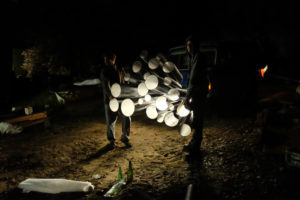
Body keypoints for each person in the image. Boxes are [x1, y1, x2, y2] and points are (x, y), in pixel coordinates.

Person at [182, 35, 209, 158]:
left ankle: (195, 150)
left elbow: (193, 78)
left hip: (199, 94)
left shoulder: (198, 58)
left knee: (197, 121)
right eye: (187, 45)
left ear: (195, 46)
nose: (189, 47)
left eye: (191, 45)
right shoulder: (193, 57)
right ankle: (193, 144)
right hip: (197, 93)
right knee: (195, 120)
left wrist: (187, 96)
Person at [100, 51, 131, 148]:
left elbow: (125, 81)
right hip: (110, 100)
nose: (106, 62)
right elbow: (106, 85)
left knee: (126, 117)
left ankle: (125, 138)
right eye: (105, 60)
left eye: (107, 60)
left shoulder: (120, 69)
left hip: (121, 99)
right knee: (110, 121)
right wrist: (110, 97)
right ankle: (111, 141)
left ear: (113, 60)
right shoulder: (104, 71)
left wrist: (127, 93)